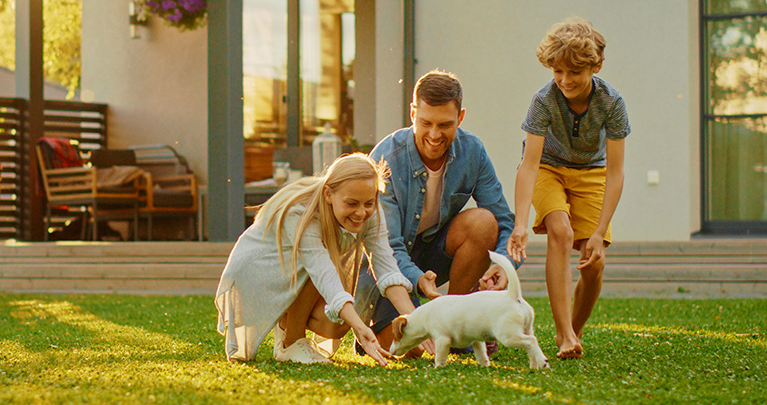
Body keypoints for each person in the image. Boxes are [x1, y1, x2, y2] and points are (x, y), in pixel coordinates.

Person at [360, 70, 516, 351]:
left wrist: (504, 266)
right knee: (411, 349)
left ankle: (457, 327)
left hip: (433, 252)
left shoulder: (473, 152)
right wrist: (417, 281)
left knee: (483, 221)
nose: (434, 135)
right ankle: (383, 328)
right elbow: (387, 247)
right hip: (386, 263)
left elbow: (504, 221)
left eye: (445, 124)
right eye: (425, 123)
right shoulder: (385, 158)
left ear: (461, 117)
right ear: (412, 114)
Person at [215, 153, 419, 366]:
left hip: (297, 271)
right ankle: (290, 342)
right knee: (326, 279)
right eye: (351, 203)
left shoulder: (370, 211)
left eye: (369, 202)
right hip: (259, 272)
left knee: (335, 325)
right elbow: (322, 273)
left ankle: (286, 326)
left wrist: (419, 324)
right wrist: (361, 327)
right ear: (329, 194)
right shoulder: (302, 213)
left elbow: (387, 269)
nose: (361, 212)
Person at [508, 18, 630, 359]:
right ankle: (563, 335)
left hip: (592, 171)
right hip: (548, 167)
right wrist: (520, 224)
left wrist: (600, 231)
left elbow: (617, 171)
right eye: (557, 71)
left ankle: (573, 333)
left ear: (597, 65)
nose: (564, 80)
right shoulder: (544, 100)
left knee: (593, 263)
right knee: (559, 230)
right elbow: (529, 164)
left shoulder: (611, 103)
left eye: (574, 72)